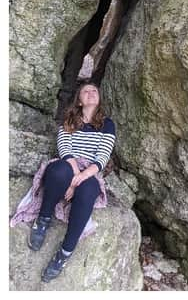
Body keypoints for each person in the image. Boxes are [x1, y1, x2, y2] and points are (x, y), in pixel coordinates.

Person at [17, 82, 116, 282]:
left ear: (99, 98)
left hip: (90, 170)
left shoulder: (108, 124)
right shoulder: (70, 120)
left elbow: (102, 157)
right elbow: (65, 149)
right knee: (58, 171)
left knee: (88, 191)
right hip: (69, 163)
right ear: (79, 101)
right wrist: (72, 179)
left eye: (94, 91)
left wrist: (80, 179)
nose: (91, 93)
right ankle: (43, 220)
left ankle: (65, 253)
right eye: (85, 91)